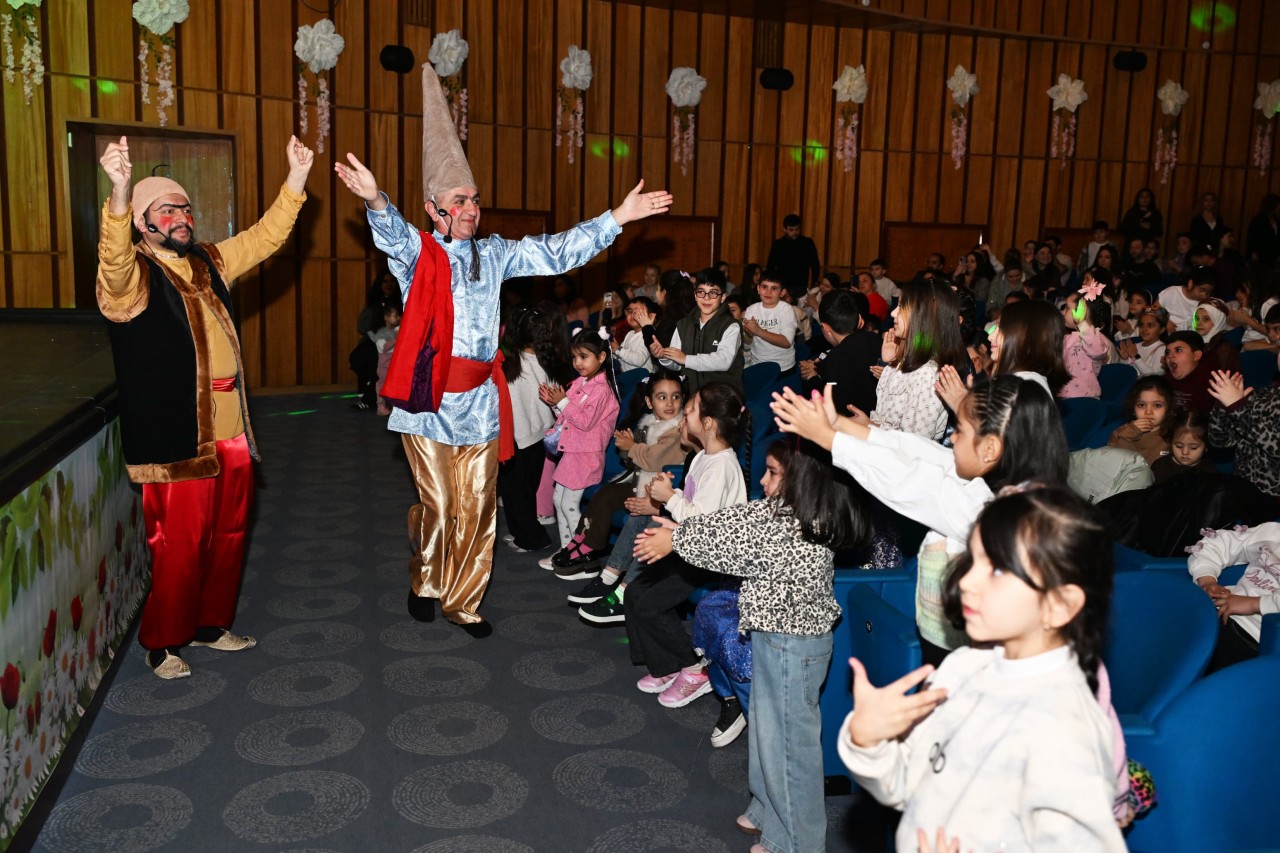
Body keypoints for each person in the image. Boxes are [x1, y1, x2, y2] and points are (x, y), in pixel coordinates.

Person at [332, 63, 672, 637]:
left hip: (482, 406)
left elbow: (558, 252)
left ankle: (464, 600)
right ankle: (426, 578)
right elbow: (390, 233)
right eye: (459, 200)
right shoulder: (418, 254)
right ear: (436, 207)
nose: (470, 208)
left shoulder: (495, 255)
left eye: (475, 199)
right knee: (439, 510)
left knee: (478, 509)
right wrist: (375, 201)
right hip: (429, 402)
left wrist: (618, 217)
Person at [95, 134, 315, 679]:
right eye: (166, 210)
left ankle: (211, 625)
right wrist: (119, 194)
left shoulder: (209, 260)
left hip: (232, 428)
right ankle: (163, 641)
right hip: (177, 437)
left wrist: (295, 181)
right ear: (144, 223)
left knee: (230, 533)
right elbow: (114, 260)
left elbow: (264, 238)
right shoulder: (131, 277)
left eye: (185, 207)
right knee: (179, 545)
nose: (181, 216)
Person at [838, 486, 1128, 852]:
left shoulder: (1065, 731)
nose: (966, 581)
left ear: (1059, 604)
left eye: (997, 569)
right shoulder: (962, 667)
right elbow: (910, 784)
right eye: (972, 560)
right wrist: (869, 741)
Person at [634, 437, 869, 853]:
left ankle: (796, 842)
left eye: (773, 473)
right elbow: (737, 520)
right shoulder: (784, 511)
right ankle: (767, 810)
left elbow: (736, 544)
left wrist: (678, 540)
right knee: (766, 733)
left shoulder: (795, 524)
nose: (762, 480)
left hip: (792, 647)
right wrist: (682, 527)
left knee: (789, 750)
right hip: (773, 638)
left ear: (805, 482)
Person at [771, 375, 1070, 665]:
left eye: (961, 430)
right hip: (948, 638)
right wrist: (839, 424)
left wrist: (828, 438)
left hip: (959, 649)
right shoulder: (989, 485)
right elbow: (920, 454)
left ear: (990, 448)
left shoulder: (987, 509)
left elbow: (910, 481)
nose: (952, 438)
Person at [621, 383, 748, 705]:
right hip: (691, 548)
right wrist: (669, 506)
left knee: (651, 605)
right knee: (635, 591)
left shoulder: (722, 465)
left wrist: (669, 498)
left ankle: (694, 668)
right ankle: (665, 664)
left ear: (708, 423)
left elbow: (701, 521)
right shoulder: (705, 456)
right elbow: (692, 512)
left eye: (689, 411)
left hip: (711, 559)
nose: (682, 416)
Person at [550, 369, 686, 582]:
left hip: (663, 488)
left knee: (608, 497)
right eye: (662, 397)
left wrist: (631, 447)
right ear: (649, 403)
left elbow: (655, 459)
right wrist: (627, 448)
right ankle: (582, 539)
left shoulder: (677, 430)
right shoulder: (649, 424)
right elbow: (635, 462)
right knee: (605, 493)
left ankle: (588, 548)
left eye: (676, 397)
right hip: (642, 482)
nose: (670, 403)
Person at [537, 328, 621, 550]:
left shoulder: (602, 389)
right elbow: (567, 417)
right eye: (575, 357)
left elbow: (585, 421)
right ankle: (565, 550)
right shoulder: (579, 382)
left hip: (586, 456)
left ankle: (581, 555)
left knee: (569, 506)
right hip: (572, 452)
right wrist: (555, 403)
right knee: (558, 501)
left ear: (601, 357)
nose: (577, 362)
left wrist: (563, 402)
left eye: (584, 357)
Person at [863, 280, 967, 440]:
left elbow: (914, 446)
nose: (892, 313)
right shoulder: (905, 361)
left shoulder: (927, 374)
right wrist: (891, 362)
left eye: (902, 307)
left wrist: (868, 426)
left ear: (923, 316)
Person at [497, 306, 563, 553]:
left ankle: (532, 538)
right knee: (525, 490)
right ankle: (523, 533)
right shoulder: (547, 362)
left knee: (514, 491)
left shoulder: (509, 365)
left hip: (515, 438)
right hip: (538, 436)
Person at [1189, 521, 1280, 672]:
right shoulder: (1273, 533)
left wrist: (1256, 604)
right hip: (1217, 615)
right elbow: (1221, 543)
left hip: (1258, 639)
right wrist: (1207, 579)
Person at [652, 269, 744, 395]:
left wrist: (686, 359)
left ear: (723, 297)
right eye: (701, 292)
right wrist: (664, 356)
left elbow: (723, 360)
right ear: (695, 295)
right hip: (692, 396)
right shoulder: (683, 324)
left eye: (713, 293)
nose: (706, 298)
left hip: (723, 398)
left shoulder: (731, 326)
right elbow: (677, 364)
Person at [800, 290, 879, 416]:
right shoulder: (874, 338)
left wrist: (812, 377)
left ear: (826, 328)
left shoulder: (837, 357)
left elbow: (833, 404)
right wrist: (819, 367)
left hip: (856, 423)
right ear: (859, 319)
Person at [1208, 368, 1280, 499]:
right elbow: (1220, 442)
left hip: (1273, 500)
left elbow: (1275, 446)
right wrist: (1222, 407)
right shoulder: (1263, 393)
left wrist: (1236, 406)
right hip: (1241, 490)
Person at [988, 298, 1071, 396]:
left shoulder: (1027, 387)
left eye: (1001, 329)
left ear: (1028, 338)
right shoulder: (1025, 381)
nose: (990, 337)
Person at [1058, 285, 1112, 399]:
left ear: (1082, 311)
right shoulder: (1066, 338)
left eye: (1067, 308)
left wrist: (1082, 324)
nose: (1062, 312)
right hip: (1064, 397)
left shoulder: (1098, 337)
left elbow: (1097, 351)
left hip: (1086, 398)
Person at [1107, 376, 1175, 465]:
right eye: (1142, 405)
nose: (1148, 412)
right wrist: (1129, 434)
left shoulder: (1174, 434)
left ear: (1168, 409)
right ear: (1133, 409)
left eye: (1157, 405)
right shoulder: (1122, 432)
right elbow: (1113, 462)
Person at [743, 270, 798, 373]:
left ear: (782, 293)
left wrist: (759, 331)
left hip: (783, 367)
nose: (768, 292)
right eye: (764, 287)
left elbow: (786, 342)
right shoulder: (751, 310)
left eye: (774, 288)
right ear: (758, 289)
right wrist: (748, 334)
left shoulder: (786, 309)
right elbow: (747, 345)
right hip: (757, 364)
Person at [1150, 408, 1215, 482]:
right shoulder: (1160, 467)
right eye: (1179, 446)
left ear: (1206, 447)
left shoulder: (1210, 474)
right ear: (1171, 442)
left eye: (1193, 447)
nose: (1185, 452)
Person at [766, 213, 821, 299]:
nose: (795, 232)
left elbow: (815, 265)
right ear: (785, 229)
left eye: (797, 229)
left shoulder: (807, 243)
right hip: (782, 287)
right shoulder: (778, 244)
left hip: (801, 287)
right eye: (791, 230)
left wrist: (814, 283)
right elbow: (770, 266)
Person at [1164, 331, 1214, 413]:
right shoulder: (1164, 382)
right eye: (1167, 352)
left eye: (1178, 350)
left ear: (1196, 355)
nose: (1170, 356)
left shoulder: (1211, 384)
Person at [1157, 265, 1216, 332]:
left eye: (1208, 293)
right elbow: (1154, 309)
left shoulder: (1205, 304)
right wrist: (1165, 321)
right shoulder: (1172, 292)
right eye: (1202, 290)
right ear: (1190, 284)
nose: (1204, 295)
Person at [372, 301, 402, 415]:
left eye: (399, 315)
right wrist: (396, 339)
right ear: (386, 317)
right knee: (382, 386)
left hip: (393, 365)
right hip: (384, 366)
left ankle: (394, 406)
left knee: (394, 386)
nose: (398, 318)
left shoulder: (395, 331)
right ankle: (380, 406)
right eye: (395, 315)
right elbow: (384, 347)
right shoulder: (381, 333)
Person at [1117, 309, 1168, 376]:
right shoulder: (1135, 346)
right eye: (1142, 325)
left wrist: (1136, 356)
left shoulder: (1162, 349)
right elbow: (1125, 373)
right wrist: (1124, 359)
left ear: (1161, 330)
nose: (1144, 329)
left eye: (1150, 325)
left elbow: (1154, 376)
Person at [615, 295, 658, 372]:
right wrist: (613, 351)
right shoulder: (630, 334)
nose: (633, 315)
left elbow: (639, 360)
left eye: (638, 311)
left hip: (642, 380)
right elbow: (621, 355)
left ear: (651, 316)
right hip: (626, 376)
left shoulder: (649, 334)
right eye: (630, 311)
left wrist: (618, 349)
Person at [1246, 194, 1280, 268]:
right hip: (1260, 255)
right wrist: (1253, 254)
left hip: (1272, 257)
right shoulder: (1258, 220)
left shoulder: (1277, 221)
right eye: (1278, 205)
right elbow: (1252, 238)